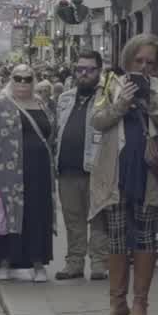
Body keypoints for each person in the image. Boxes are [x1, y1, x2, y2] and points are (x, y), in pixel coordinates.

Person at [89, 35, 158, 315]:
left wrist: (153, 107)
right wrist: (121, 104)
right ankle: (117, 304)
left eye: (150, 63)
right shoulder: (110, 85)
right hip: (115, 172)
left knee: (144, 235)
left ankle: (140, 304)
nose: (144, 67)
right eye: (138, 61)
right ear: (128, 61)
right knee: (115, 236)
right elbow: (97, 119)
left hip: (148, 173)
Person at [0, 64, 57, 282]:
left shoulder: (41, 104)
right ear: (11, 79)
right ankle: (4, 261)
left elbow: (51, 134)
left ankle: (38, 263)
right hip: (7, 172)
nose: (22, 83)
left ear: (34, 80)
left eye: (27, 79)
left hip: (39, 171)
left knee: (38, 214)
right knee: (7, 216)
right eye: (17, 78)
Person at [53, 51, 105, 281]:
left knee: (97, 219)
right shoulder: (65, 98)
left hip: (96, 169)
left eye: (90, 69)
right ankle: (74, 263)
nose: (84, 74)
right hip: (67, 170)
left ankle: (98, 264)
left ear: (99, 71)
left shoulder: (107, 97)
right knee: (72, 219)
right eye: (80, 69)